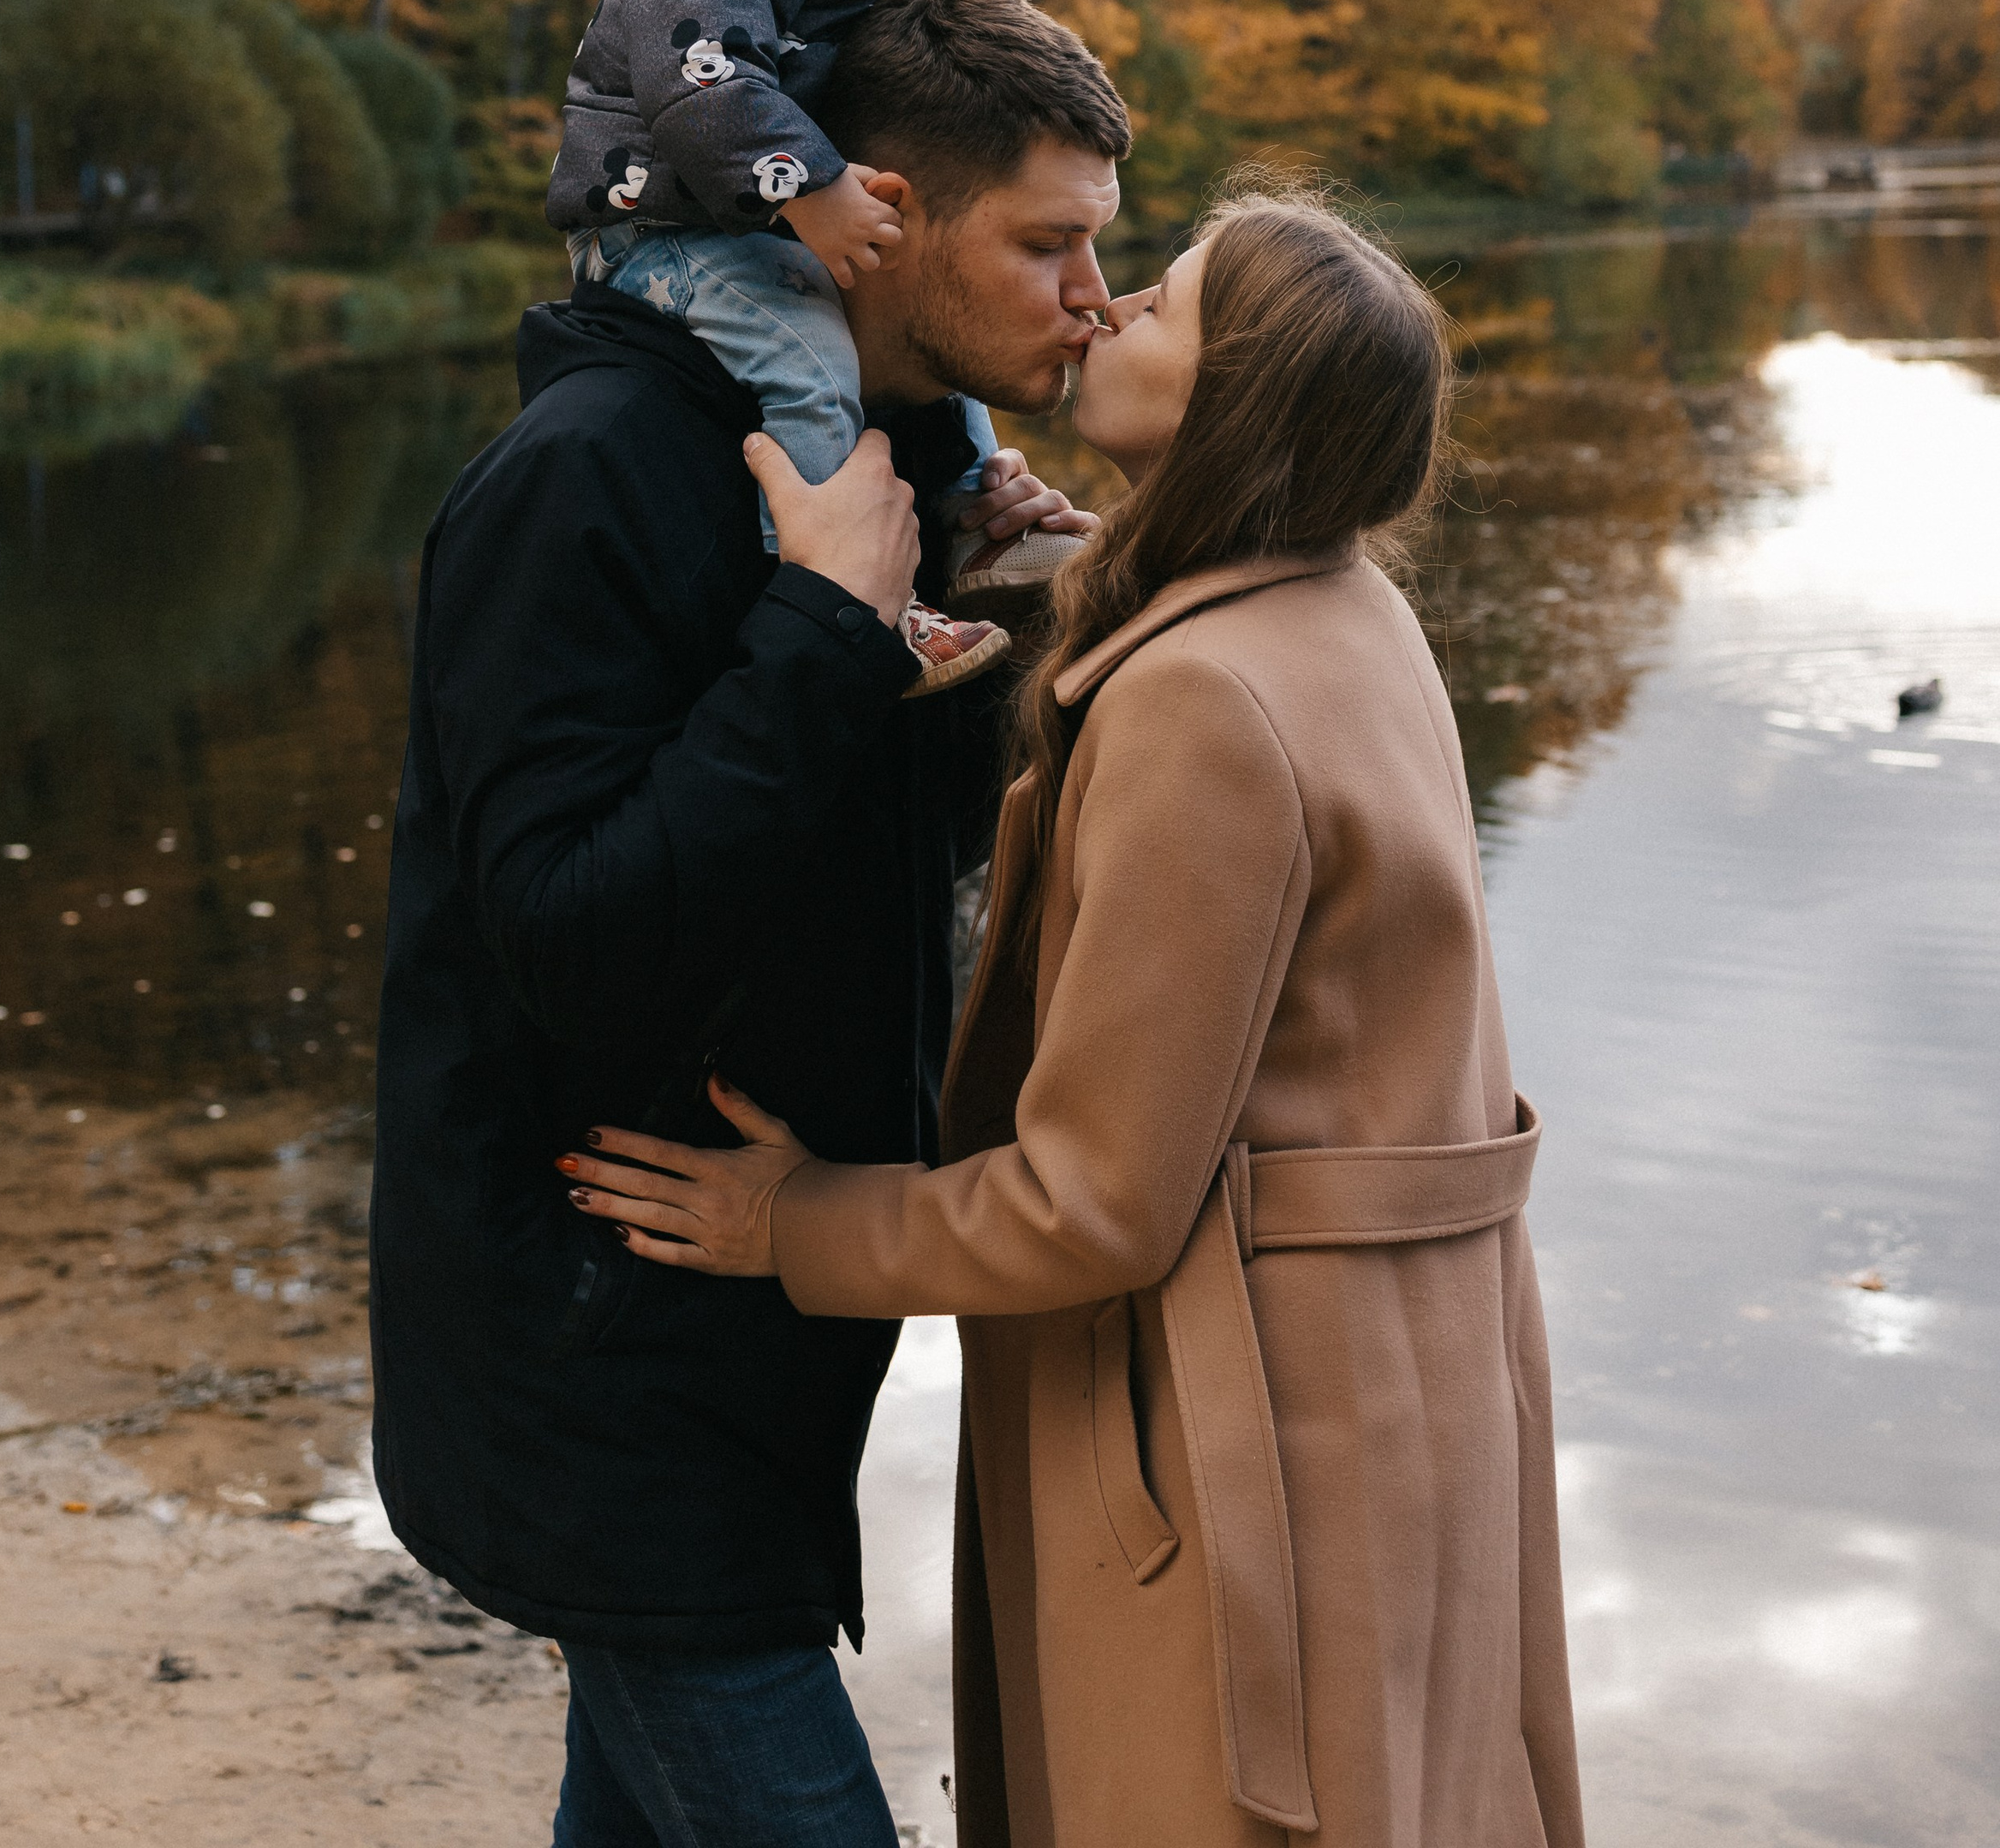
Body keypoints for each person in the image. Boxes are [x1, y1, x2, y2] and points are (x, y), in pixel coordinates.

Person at [565, 187, 1587, 1848]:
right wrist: (1033, 556)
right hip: (1410, 1389)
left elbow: (1094, 1200)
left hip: (1245, 1441)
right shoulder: (1349, 615)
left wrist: (794, 1223)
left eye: (1166, 304)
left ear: (1233, 405)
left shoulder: (1199, 704)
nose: (1108, 310)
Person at [369, 0, 1131, 1848]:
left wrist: (959, 638)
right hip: (599, 1352)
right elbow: (566, 945)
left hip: (754, 1340)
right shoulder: (587, 483)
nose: (1092, 298)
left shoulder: (883, 478)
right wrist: (814, 631)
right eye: (1045, 244)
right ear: (874, 215)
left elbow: (862, 869)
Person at [547, 0, 1041, 694]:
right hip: (661, 228)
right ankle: (853, 598)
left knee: (929, 343)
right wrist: (809, 187)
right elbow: (698, 66)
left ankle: (973, 522)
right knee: (812, 363)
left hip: (729, 212)